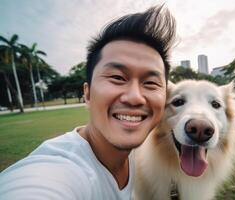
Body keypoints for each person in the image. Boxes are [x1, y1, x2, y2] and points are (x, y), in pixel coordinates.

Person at [0, 5, 176, 200]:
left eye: (150, 83)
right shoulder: (58, 171)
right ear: (88, 93)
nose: (135, 97)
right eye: (117, 77)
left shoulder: (134, 153)